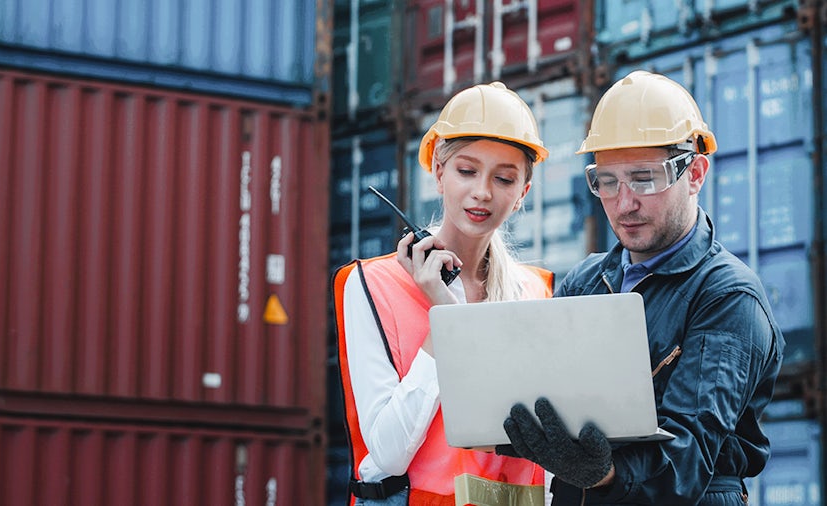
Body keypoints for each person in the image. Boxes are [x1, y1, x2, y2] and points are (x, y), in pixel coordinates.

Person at [496, 70, 785, 505]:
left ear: (696, 174)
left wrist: (605, 475)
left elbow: (688, 456)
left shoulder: (728, 298)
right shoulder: (585, 283)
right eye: (607, 182)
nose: (624, 202)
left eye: (644, 178)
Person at [333, 81, 554, 505]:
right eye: (466, 171)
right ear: (438, 171)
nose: (483, 192)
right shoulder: (371, 285)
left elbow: (545, 468)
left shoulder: (537, 291)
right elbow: (389, 454)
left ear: (523, 192)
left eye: (504, 178)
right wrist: (447, 321)